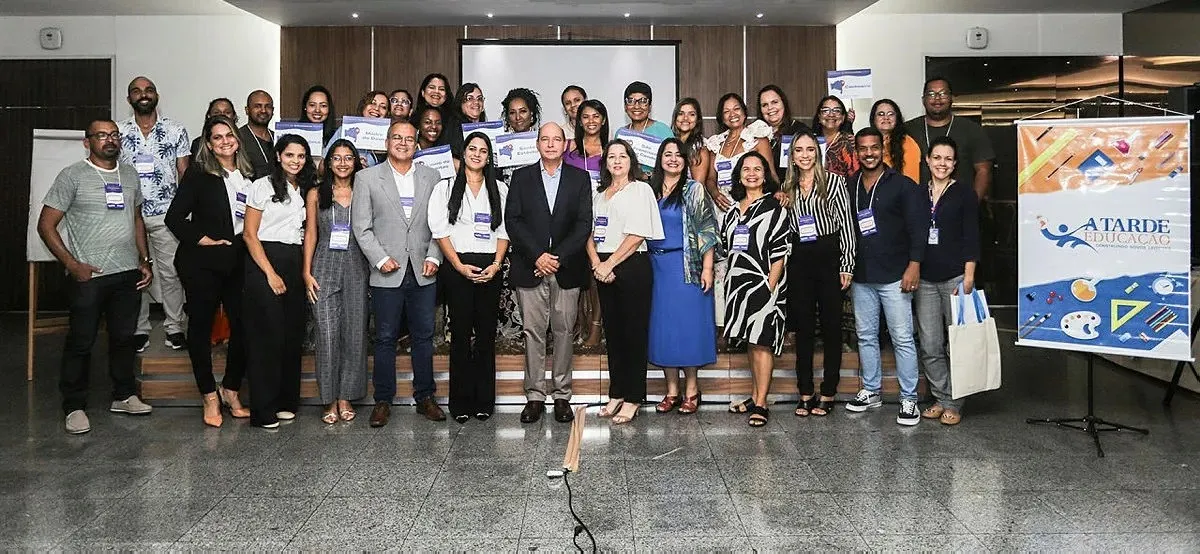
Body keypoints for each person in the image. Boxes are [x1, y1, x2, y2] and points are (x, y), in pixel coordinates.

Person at [38, 119, 155, 435]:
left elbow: (136, 219)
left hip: (127, 273)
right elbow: (46, 225)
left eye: (114, 135)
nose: (110, 140)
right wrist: (73, 264)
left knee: (123, 339)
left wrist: (144, 260)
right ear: (87, 142)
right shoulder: (72, 176)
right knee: (81, 341)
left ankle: (124, 394)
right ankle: (74, 406)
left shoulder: (129, 175)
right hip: (89, 276)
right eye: (102, 135)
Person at [352, 121, 445, 426]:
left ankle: (425, 397)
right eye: (397, 138)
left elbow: (440, 224)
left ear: (417, 144)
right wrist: (379, 259)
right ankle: (382, 400)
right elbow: (361, 227)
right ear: (387, 141)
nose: (403, 143)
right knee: (385, 338)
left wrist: (434, 255)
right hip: (387, 271)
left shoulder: (432, 177)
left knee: (423, 336)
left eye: (409, 139)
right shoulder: (366, 178)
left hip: (423, 269)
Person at [165, 115, 253, 427]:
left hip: (237, 260)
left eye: (229, 135)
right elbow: (174, 218)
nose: (225, 141)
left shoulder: (249, 173)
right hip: (201, 262)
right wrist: (203, 240)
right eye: (217, 137)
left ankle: (230, 389)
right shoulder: (199, 174)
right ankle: (208, 395)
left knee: (243, 326)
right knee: (200, 330)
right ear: (209, 143)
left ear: (237, 139)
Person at [505, 122, 592, 425]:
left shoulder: (579, 179)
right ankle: (534, 396)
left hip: (565, 267)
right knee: (533, 332)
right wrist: (538, 256)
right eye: (545, 139)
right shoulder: (521, 177)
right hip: (531, 266)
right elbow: (513, 221)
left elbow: (583, 224)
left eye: (557, 139)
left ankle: (562, 395)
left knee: (565, 331)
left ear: (565, 144)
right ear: (537, 143)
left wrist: (556, 257)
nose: (551, 144)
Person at [844, 127, 929, 427]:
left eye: (874, 148)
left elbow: (919, 228)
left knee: (902, 338)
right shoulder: (851, 185)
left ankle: (909, 398)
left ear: (883, 149)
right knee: (866, 336)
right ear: (857, 152)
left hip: (896, 275)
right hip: (862, 274)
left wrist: (914, 265)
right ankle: (871, 389)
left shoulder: (903, 185)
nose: (869, 153)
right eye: (863, 148)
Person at [429, 132, 509, 423]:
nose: (477, 154)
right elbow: (439, 230)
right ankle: (460, 401)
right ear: (463, 153)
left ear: (489, 157)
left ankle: (484, 400)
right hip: (457, 265)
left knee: (486, 335)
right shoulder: (445, 188)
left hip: (490, 266)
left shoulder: (499, 188)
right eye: (472, 149)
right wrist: (458, 265)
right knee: (461, 335)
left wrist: (497, 265)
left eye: (483, 151)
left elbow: (504, 232)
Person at [586, 140, 663, 425]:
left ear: (631, 160)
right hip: (603, 267)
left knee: (633, 335)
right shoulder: (599, 195)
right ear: (605, 162)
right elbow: (589, 233)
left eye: (622, 156)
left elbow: (638, 234)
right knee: (614, 335)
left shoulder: (641, 190)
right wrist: (597, 264)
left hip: (631, 266)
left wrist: (609, 264)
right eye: (611, 156)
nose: (617, 161)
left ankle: (633, 397)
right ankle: (616, 392)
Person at [780, 131, 855, 418]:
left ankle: (829, 390)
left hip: (828, 255)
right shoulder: (788, 187)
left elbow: (846, 225)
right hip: (799, 259)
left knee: (832, 327)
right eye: (799, 150)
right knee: (804, 329)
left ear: (817, 153)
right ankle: (805, 391)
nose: (805, 155)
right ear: (792, 155)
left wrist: (846, 265)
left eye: (810, 149)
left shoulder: (834, 182)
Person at [242, 135, 313, 429]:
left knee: (291, 335)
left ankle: (286, 401)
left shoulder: (306, 189)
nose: (295, 161)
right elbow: (249, 234)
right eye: (290, 155)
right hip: (265, 261)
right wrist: (270, 274)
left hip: (294, 260)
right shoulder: (262, 186)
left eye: (301, 156)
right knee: (267, 338)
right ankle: (263, 410)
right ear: (278, 156)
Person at [118, 76, 189, 353]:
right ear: (129, 99)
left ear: (156, 95)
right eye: (137, 91)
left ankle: (174, 327)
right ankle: (140, 328)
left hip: (166, 215)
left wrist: (184, 213)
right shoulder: (119, 131)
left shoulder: (175, 130)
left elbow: (183, 171)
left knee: (171, 272)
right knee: (135, 273)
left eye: (148, 90)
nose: (143, 94)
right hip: (128, 215)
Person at [647, 138, 718, 416]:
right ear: (659, 159)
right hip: (656, 268)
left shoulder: (694, 189)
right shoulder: (648, 190)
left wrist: (708, 268)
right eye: (668, 154)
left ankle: (691, 389)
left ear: (686, 160)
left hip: (687, 266)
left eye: (678, 154)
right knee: (664, 330)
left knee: (689, 329)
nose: (673, 159)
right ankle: (671, 391)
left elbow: (707, 231)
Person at [913, 136, 979, 426]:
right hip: (925, 280)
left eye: (948, 159)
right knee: (930, 344)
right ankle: (941, 397)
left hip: (955, 277)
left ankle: (955, 402)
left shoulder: (964, 193)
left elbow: (972, 236)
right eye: (937, 157)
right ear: (927, 160)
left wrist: (969, 276)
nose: (942, 163)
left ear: (955, 163)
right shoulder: (917, 193)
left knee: (958, 344)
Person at [303, 139, 369, 424]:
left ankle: (346, 396)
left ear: (356, 162)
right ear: (328, 163)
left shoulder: (364, 192)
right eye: (337, 158)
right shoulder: (317, 194)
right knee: (327, 335)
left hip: (357, 266)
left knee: (354, 333)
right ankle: (328, 398)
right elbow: (311, 235)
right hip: (324, 267)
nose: (343, 163)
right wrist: (306, 273)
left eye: (348, 158)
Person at [721, 151, 789, 427]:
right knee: (751, 342)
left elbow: (780, 254)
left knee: (763, 343)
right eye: (746, 169)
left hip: (764, 285)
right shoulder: (732, 211)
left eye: (757, 169)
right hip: (739, 288)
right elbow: (728, 251)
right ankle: (754, 394)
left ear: (765, 174)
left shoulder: (775, 208)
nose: (751, 173)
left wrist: (768, 288)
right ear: (739, 175)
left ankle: (761, 403)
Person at [705, 93, 774, 343]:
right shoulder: (717, 143)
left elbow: (770, 174)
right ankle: (726, 326)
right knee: (723, 267)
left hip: (749, 210)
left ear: (744, 112)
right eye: (726, 111)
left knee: (748, 265)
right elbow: (710, 178)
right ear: (721, 117)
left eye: (737, 109)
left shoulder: (757, 137)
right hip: (721, 211)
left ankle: (749, 325)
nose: (732, 114)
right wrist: (713, 193)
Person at [563, 99, 609, 347]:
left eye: (596, 116)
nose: (591, 121)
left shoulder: (610, 148)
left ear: (603, 119)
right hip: (572, 219)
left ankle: (596, 326)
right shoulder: (569, 150)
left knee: (596, 274)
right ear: (578, 121)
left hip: (603, 219)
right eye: (586, 117)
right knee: (575, 272)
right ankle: (577, 322)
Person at [907, 77, 995, 202]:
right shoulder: (907, 130)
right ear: (923, 100)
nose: (937, 98)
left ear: (951, 98)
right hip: (916, 208)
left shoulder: (971, 130)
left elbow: (983, 171)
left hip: (959, 207)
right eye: (931, 94)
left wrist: (972, 206)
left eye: (943, 93)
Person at [756, 85, 809, 169]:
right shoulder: (755, 133)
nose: (770, 108)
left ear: (784, 103)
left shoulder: (801, 130)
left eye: (774, 102)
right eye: (765, 105)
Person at [870, 99, 920, 183]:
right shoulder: (867, 141)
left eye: (891, 114)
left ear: (897, 118)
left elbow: (911, 181)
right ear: (874, 119)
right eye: (881, 114)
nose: (886, 118)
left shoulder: (907, 142)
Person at [811, 95, 857, 178]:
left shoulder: (848, 143)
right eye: (826, 110)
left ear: (843, 118)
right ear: (819, 116)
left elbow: (854, 176)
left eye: (836, 110)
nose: (831, 114)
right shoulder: (809, 140)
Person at [671, 97, 710, 188]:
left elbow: (697, 188)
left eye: (691, 114)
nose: (685, 118)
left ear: (697, 119)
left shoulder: (699, 148)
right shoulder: (669, 142)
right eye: (681, 114)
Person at [239, 90, 276, 180]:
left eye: (268, 106)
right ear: (247, 110)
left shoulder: (278, 137)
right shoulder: (237, 138)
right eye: (257, 106)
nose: (263, 110)